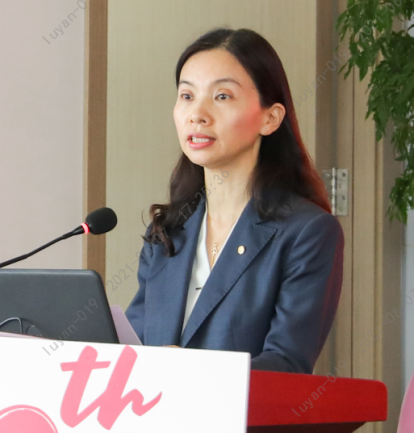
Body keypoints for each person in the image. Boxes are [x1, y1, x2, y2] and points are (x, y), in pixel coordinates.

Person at [124, 27, 344, 374]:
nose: (197, 114)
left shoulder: (308, 232)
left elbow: (287, 365)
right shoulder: (167, 231)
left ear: (270, 118)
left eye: (222, 96)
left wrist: (188, 371)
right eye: (187, 95)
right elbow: (134, 347)